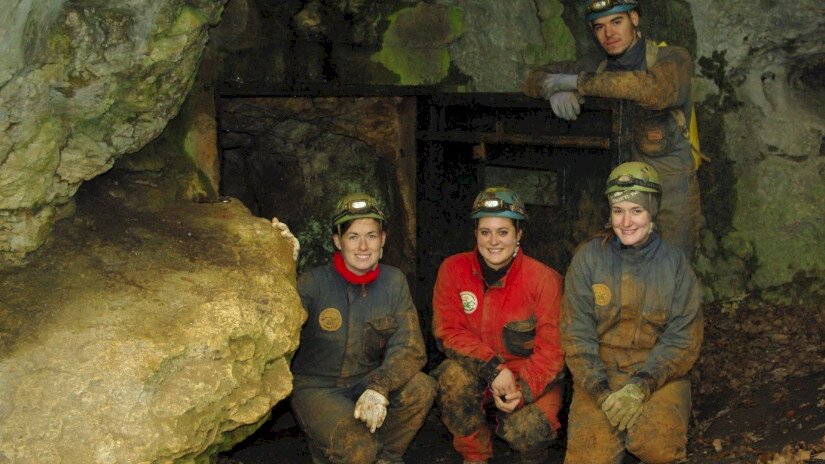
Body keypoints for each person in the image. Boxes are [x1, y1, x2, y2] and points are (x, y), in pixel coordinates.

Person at [523, 0, 701, 258]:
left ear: (634, 19)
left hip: (669, 199)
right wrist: (552, 90)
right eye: (599, 26)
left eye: (617, 22)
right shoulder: (597, 68)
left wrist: (578, 83)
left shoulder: (672, 58)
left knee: (671, 269)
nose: (609, 33)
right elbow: (534, 77)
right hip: (619, 200)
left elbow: (653, 90)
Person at [561, 161, 703, 464]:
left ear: (652, 212)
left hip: (658, 375)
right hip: (601, 373)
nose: (626, 222)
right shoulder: (588, 260)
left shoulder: (675, 266)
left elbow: (683, 339)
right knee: (589, 454)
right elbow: (576, 336)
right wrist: (601, 393)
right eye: (618, 211)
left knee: (657, 445)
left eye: (636, 210)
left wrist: (640, 387)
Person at [289, 193, 437, 464]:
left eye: (371, 235)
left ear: (383, 239)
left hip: (366, 381)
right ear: (338, 241)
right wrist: (282, 269)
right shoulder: (312, 283)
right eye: (353, 236)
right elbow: (278, 323)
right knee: (358, 448)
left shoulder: (393, 282)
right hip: (318, 388)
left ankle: (385, 457)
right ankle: (339, 447)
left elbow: (410, 347)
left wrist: (379, 385)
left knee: (422, 387)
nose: (363, 246)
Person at [431, 187, 565, 464]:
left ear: (518, 234)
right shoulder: (453, 269)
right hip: (479, 370)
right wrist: (493, 368)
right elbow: (448, 331)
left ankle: (525, 445)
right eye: (485, 232)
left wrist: (522, 390)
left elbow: (552, 352)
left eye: (503, 232)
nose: (493, 241)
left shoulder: (545, 280)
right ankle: (474, 454)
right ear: (476, 233)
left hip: (529, 376)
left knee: (530, 431)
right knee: (452, 380)